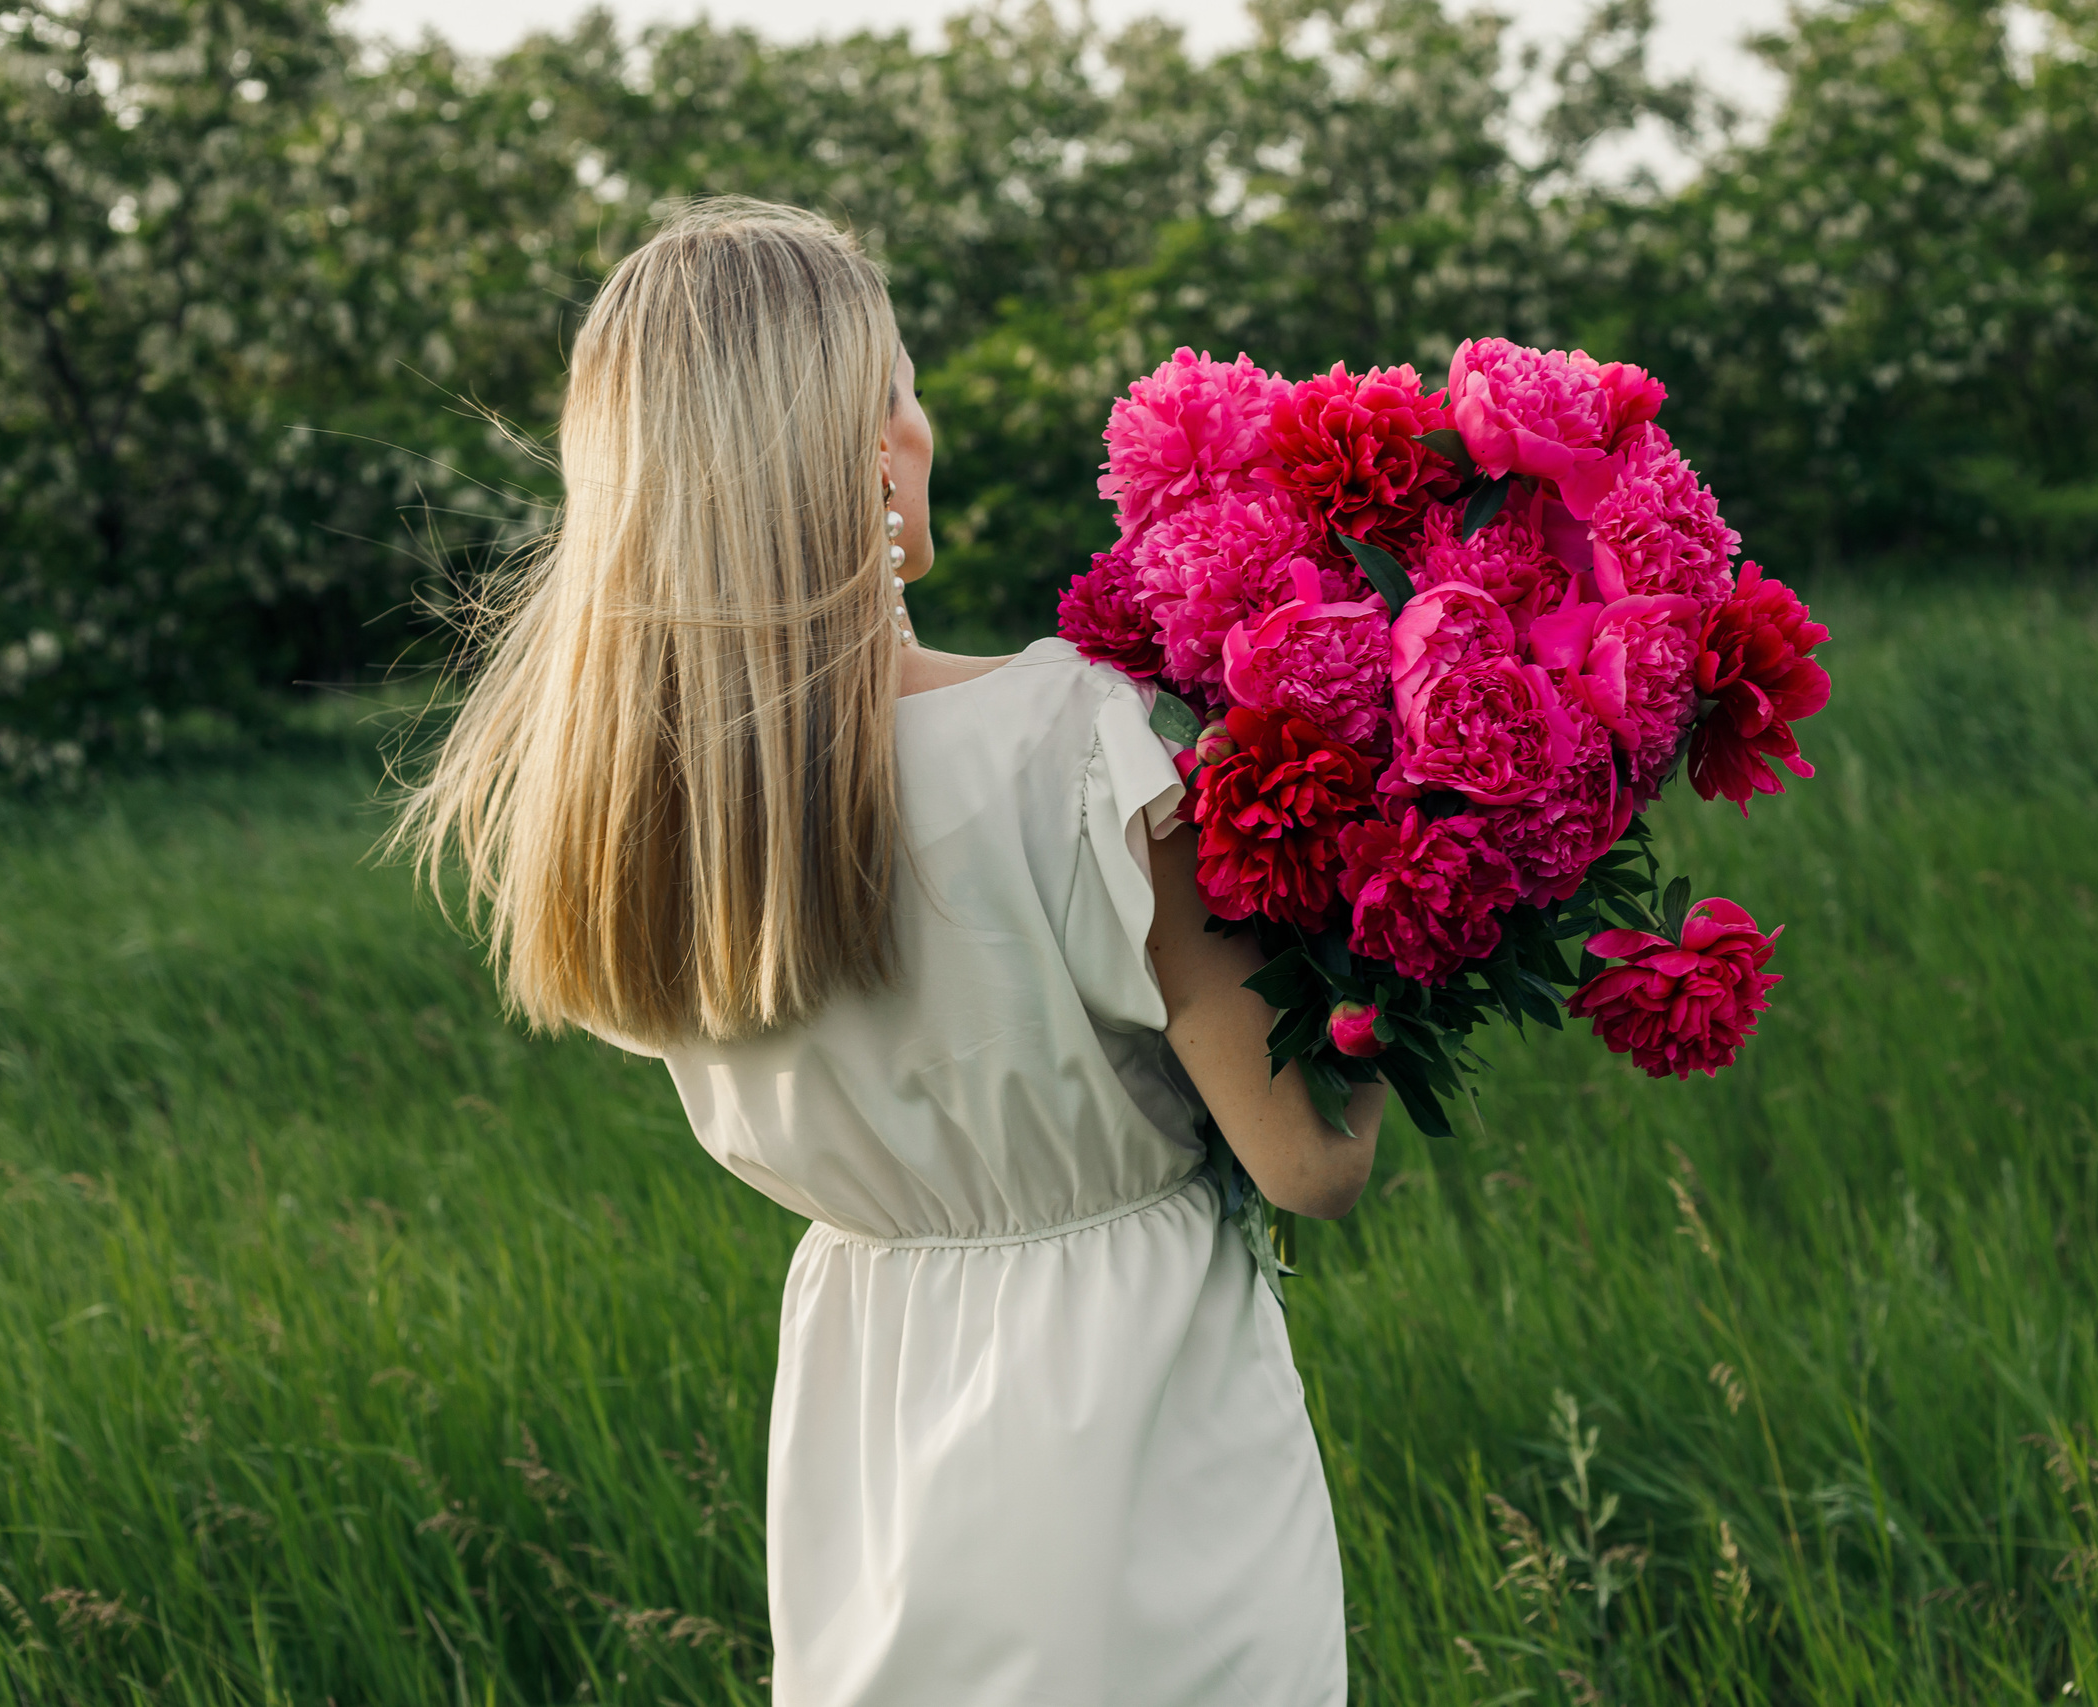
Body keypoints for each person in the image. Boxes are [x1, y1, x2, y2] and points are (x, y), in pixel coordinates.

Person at [390, 198, 1384, 1705]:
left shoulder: (649, 808)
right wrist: (1422, 902)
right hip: (1142, 1451)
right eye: (904, 387)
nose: (923, 424)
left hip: (873, 1432)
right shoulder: (1071, 746)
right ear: (868, 452)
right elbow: (1311, 1160)